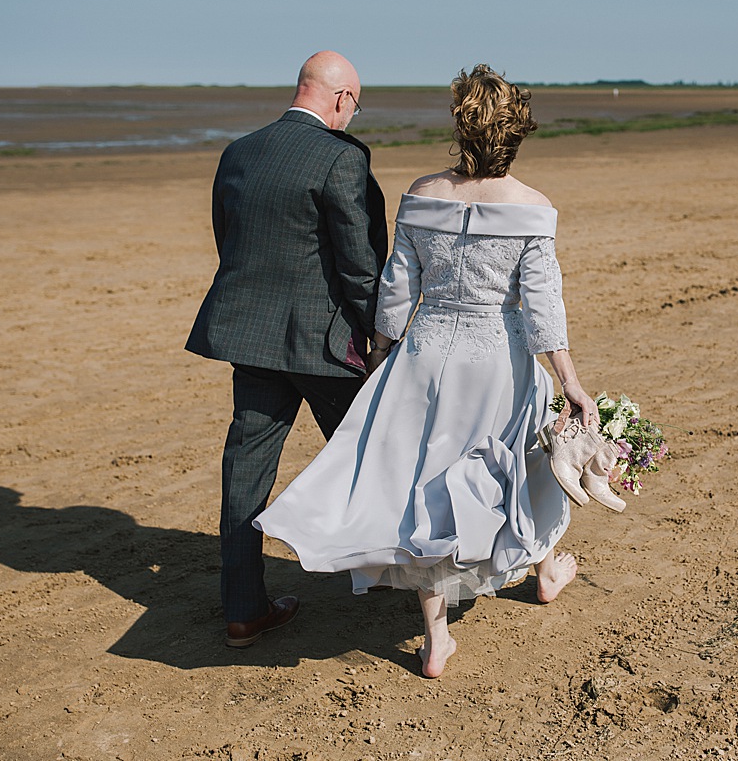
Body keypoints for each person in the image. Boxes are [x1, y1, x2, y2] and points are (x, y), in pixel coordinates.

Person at [254, 64, 599, 678]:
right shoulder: (532, 208)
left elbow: (396, 289)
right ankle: (543, 565)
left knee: (427, 487)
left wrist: (383, 354)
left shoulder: (422, 194)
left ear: (460, 127)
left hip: (425, 356)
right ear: (516, 132)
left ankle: (437, 639)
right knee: (524, 457)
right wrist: (569, 378)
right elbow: (544, 306)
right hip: (499, 356)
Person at [185, 51, 388, 648]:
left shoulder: (239, 151)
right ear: (341, 99)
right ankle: (383, 572)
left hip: (252, 339)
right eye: (355, 105)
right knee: (369, 456)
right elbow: (360, 265)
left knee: (244, 474)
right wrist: (381, 337)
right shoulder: (339, 159)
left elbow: (231, 240)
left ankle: (243, 611)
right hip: (326, 347)